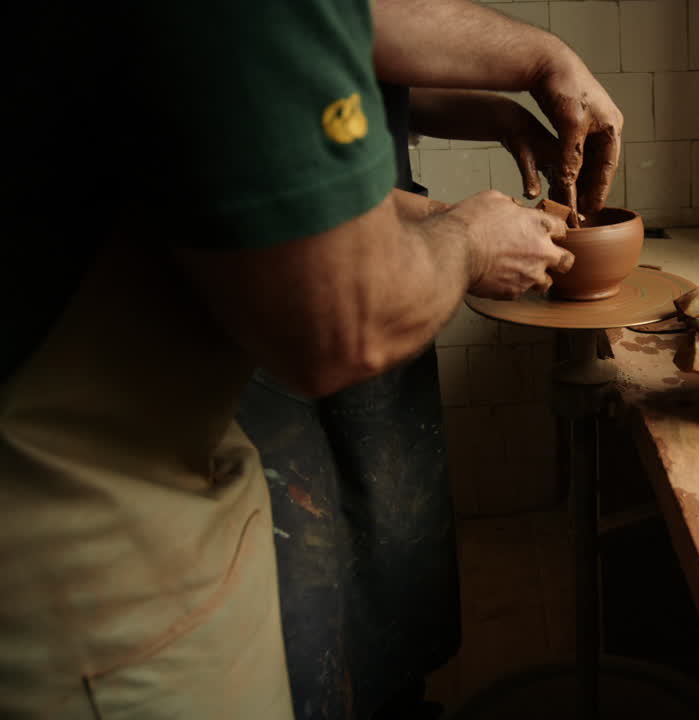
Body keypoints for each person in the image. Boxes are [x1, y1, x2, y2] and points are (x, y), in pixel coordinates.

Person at [0, 1, 618, 718]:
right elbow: (345, 327)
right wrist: (469, 240)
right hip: (75, 533)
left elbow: (245, 123)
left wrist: (443, 196)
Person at [236, 2, 623, 717]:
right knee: (302, 583)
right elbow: (262, 172)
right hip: (268, 303)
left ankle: (398, 697)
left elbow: (353, 50)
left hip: (355, 246)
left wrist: (509, 106)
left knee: (390, 534)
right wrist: (460, 235)